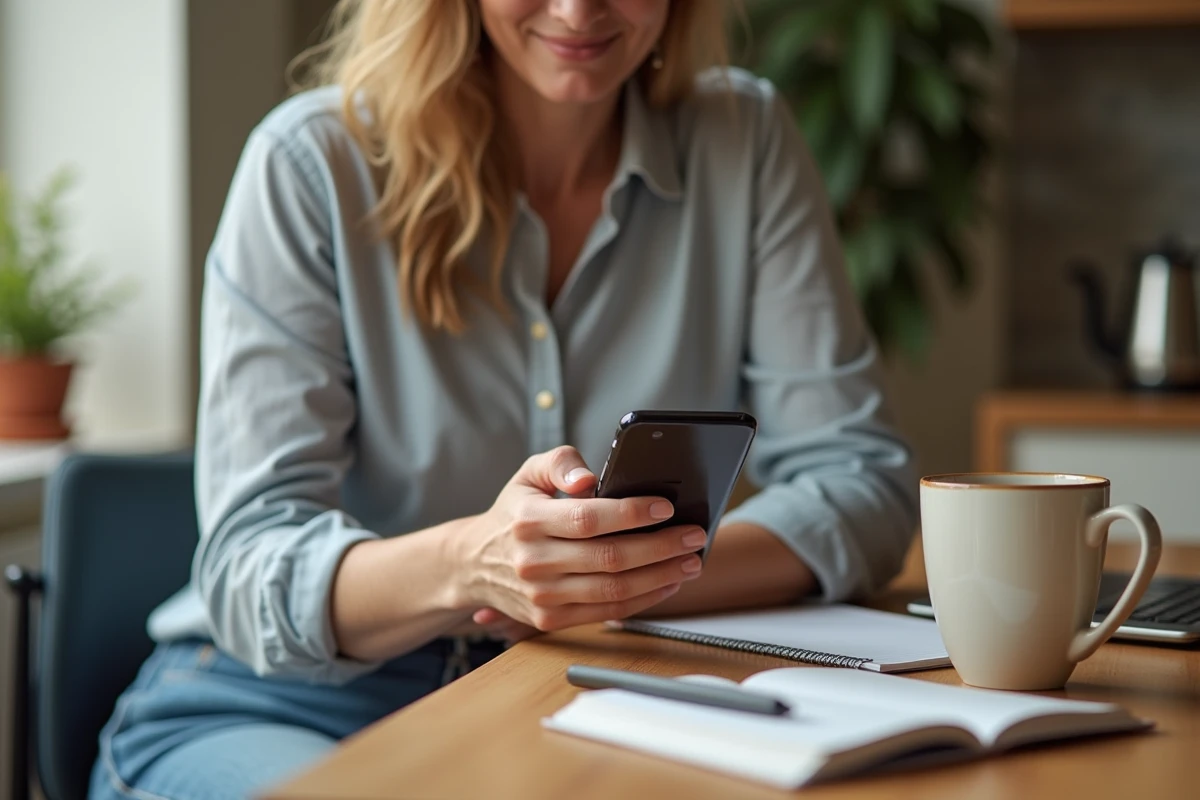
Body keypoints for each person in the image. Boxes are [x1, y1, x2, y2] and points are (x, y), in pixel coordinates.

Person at [89, 1, 918, 798]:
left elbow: (858, 483)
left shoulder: (745, 141)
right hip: (281, 704)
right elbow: (247, 569)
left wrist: (598, 581)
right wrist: (473, 565)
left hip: (584, 693)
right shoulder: (311, 166)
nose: (576, 9)